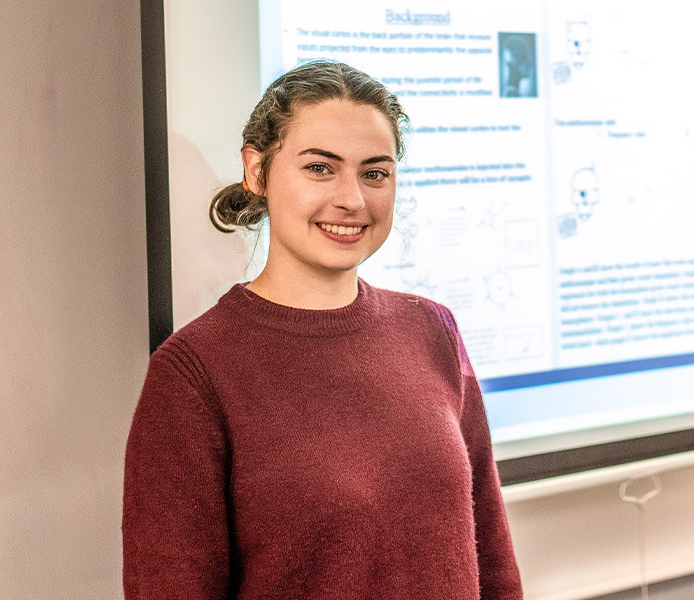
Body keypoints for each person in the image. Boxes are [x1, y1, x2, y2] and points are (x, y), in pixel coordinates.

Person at [123, 61, 523, 599]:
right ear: (256, 171)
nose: (353, 200)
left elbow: (492, 558)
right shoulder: (193, 373)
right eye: (320, 168)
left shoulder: (432, 330)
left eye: (374, 173)